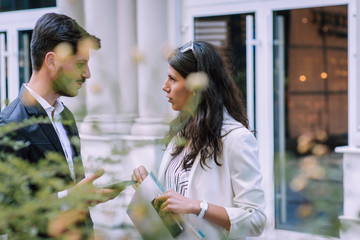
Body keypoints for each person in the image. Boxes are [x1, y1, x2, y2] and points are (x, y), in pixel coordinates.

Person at [0, 13, 120, 238]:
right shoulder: (10, 124)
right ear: (52, 61)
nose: (87, 74)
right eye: (81, 64)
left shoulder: (66, 116)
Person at [132, 41, 266, 239]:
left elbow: (256, 219)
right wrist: (148, 189)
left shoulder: (236, 139)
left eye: (172, 79)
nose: (164, 87)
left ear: (196, 87)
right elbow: (173, 208)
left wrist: (197, 206)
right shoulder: (181, 133)